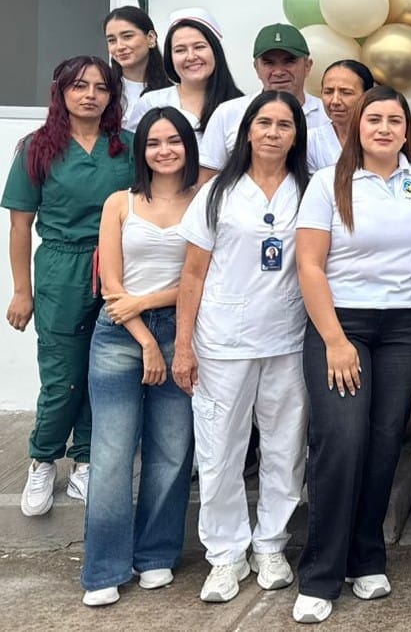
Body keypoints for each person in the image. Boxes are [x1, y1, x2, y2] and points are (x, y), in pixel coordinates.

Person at [292, 86, 411, 623]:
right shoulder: (328, 182)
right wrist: (333, 340)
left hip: (403, 327)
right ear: (356, 127)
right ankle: (321, 573)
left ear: (406, 129)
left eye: (393, 120)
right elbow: (309, 265)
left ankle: (366, 557)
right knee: (340, 441)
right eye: (372, 119)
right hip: (341, 323)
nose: (383, 128)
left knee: (382, 444)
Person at [173, 91, 311, 604]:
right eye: (264, 122)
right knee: (220, 451)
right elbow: (191, 273)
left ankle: (271, 543)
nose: (273, 132)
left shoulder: (310, 191)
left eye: (284, 124)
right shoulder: (216, 194)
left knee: (284, 447)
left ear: (297, 135)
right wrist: (183, 345)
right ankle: (225, 555)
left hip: (289, 339)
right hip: (223, 341)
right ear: (247, 131)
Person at [3, 56, 134, 517]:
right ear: (61, 92)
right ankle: (43, 457)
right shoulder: (37, 148)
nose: (90, 95)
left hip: (118, 267)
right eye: (80, 86)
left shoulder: (127, 147)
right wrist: (23, 290)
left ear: (111, 96)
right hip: (62, 266)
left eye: (101, 87)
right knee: (62, 375)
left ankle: (85, 460)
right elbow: (21, 225)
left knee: (106, 370)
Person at [81, 107, 200, 607]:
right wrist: (145, 339)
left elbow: (201, 278)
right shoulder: (119, 203)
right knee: (111, 454)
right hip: (118, 335)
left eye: (174, 141)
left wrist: (150, 309)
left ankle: (154, 555)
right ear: (141, 151)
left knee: (172, 453)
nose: (164, 150)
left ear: (187, 148)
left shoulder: (204, 202)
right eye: (154, 143)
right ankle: (104, 567)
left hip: (181, 330)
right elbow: (111, 283)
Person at [199, 23, 332, 175]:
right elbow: (207, 177)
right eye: (269, 63)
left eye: (289, 61)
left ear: (307, 66)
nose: (279, 71)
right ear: (256, 68)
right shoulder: (228, 113)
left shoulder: (328, 115)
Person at [128, 9, 243, 133]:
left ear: (216, 51)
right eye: (180, 50)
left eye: (199, 47)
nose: (191, 57)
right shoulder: (152, 102)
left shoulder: (241, 106)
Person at [105, 7, 170, 129]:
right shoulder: (104, 89)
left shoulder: (172, 91)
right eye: (112, 40)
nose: (119, 46)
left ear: (151, 38)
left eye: (127, 36)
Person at [308, 58, 375, 168]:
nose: (335, 101)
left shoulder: (380, 138)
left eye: (346, 93)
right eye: (328, 92)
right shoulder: (311, 141)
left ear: (367, 96)